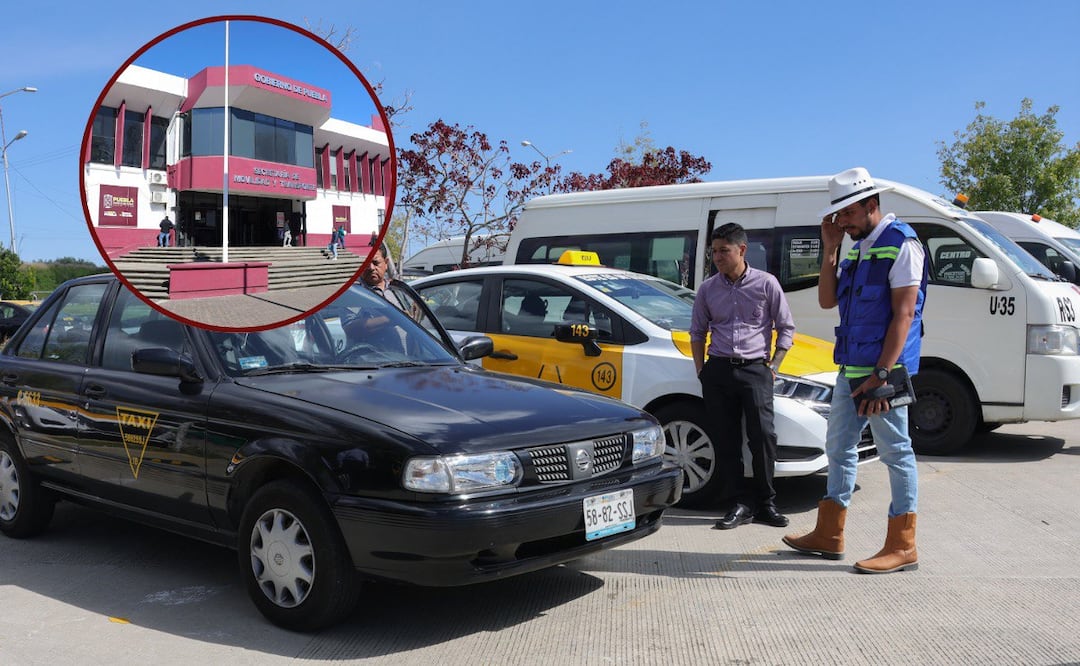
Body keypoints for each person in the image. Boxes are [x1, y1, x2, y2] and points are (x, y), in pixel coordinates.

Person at [783, 167, 927, 574]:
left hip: (883, 372)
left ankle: (903, 545)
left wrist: (881, 375)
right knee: (838, 446)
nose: (841, 222)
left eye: (846, 214)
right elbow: (828, 300)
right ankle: (830, 535)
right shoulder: (859, 247)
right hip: (851, 368)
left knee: (896, 452)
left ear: (871, 205)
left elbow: (904, 316)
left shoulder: (902, 244)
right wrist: (830, 249)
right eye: (838, 216)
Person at [690, 222, 795, 531]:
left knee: (763, 437)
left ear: (742, 250)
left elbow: (786, 327)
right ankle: (739, 504)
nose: (718, 258)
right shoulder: (708, 289)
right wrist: (702, 370)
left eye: (724, 251)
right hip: (719, 369)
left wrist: (773, 365)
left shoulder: (766, 284)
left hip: (755, 370)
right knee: (726, 439)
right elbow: (697, 332)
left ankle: (766, 503)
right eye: (715, 252)